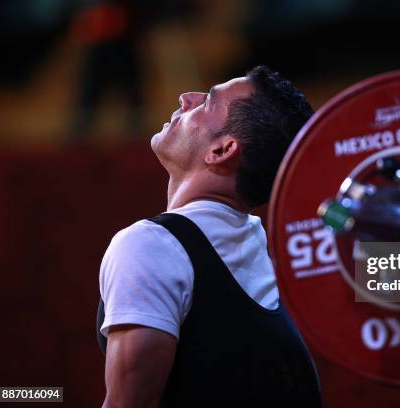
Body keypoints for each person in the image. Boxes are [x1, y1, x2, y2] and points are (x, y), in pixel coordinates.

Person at [97, 66, 321, 407]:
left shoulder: (151, 246)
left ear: (221, 150)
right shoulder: (276, 251)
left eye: (207, 102)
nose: (186, 98)